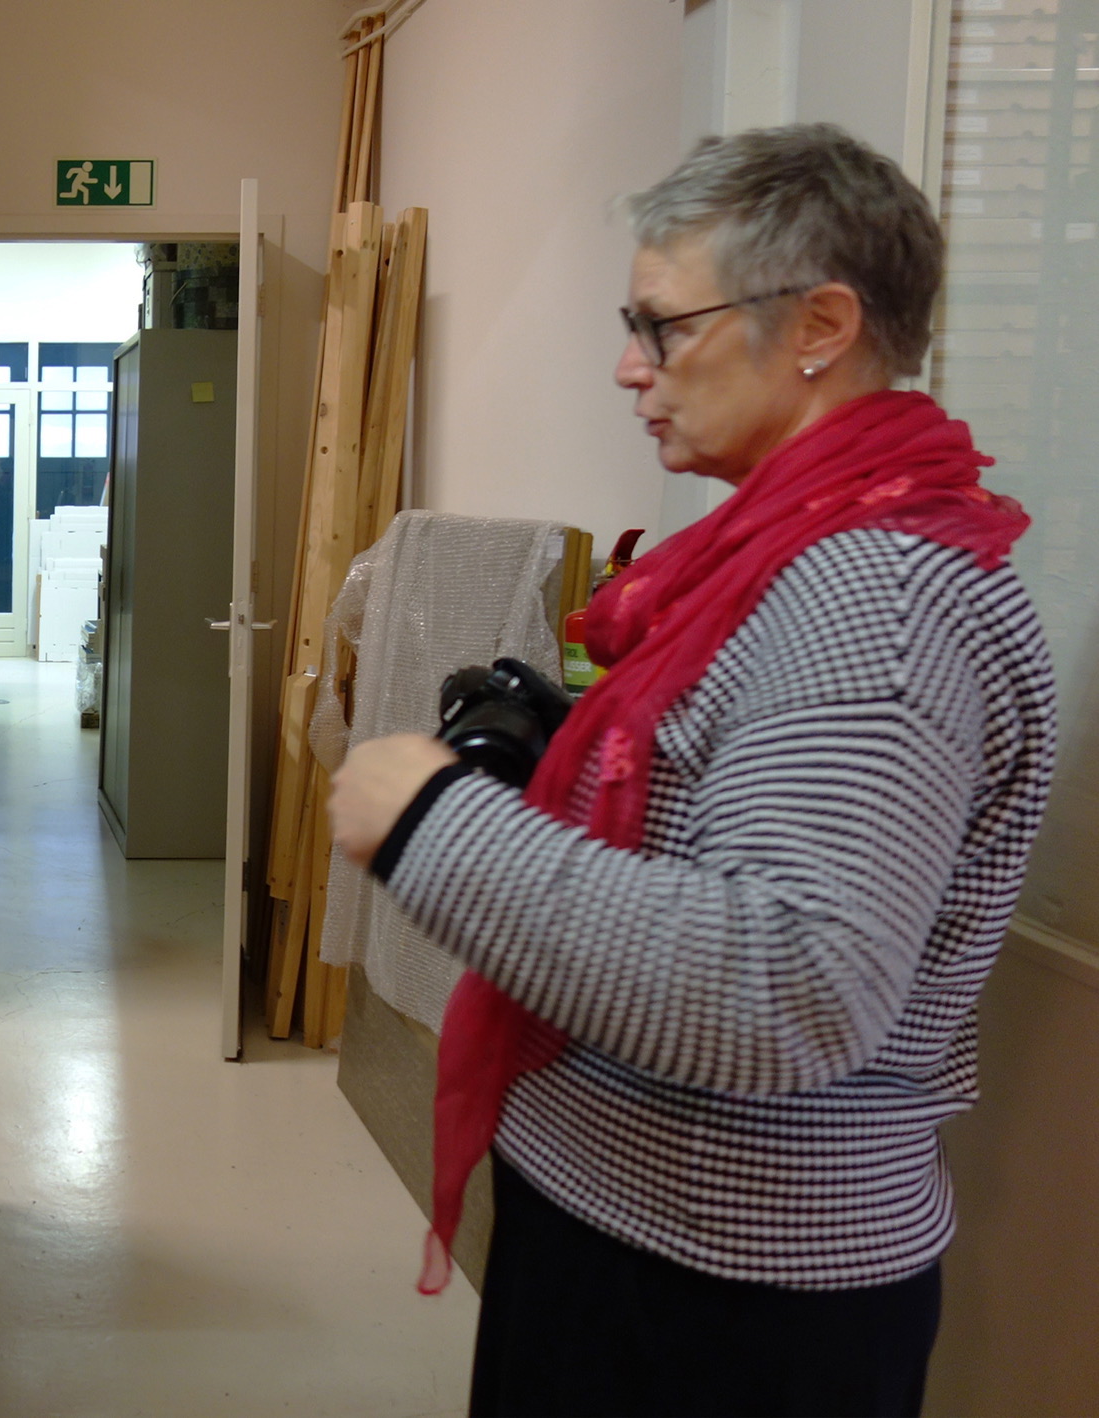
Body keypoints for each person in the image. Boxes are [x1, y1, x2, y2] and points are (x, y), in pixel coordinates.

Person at [327, 125, 1056, 1418]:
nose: (627, 366)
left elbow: (785, 986)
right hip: (649, 1230)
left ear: (819, 322)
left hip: (723, 1293)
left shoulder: (873, 592)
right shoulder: (785, 553)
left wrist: (430, 820)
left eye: (660, 325)